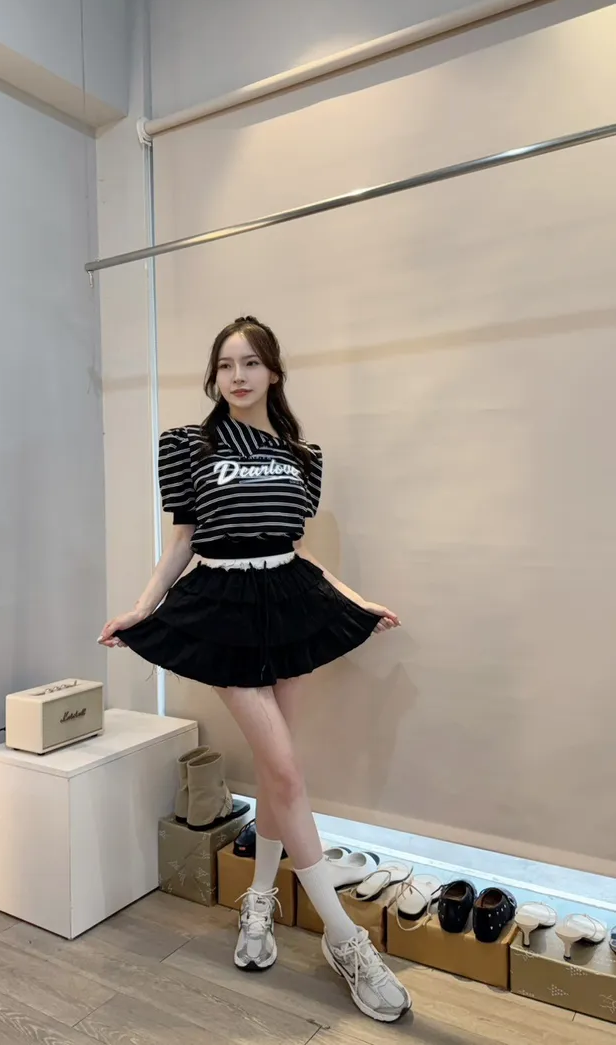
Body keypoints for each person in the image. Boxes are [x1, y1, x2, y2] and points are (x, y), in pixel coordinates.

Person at [99, 315, 411, 1023]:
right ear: (215, 376)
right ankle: (346, 939)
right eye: (225, 364)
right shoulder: (187, 445)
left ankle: (260, 901)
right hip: (224, 608)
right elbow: (182, 541)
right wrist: (142, 608)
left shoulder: (302, 455)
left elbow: (293, 547)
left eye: (250, 363)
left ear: (273, 372)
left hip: (289, 602)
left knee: (278, 773)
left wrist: (354, 598)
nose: (236, 376)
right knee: (289, 774)